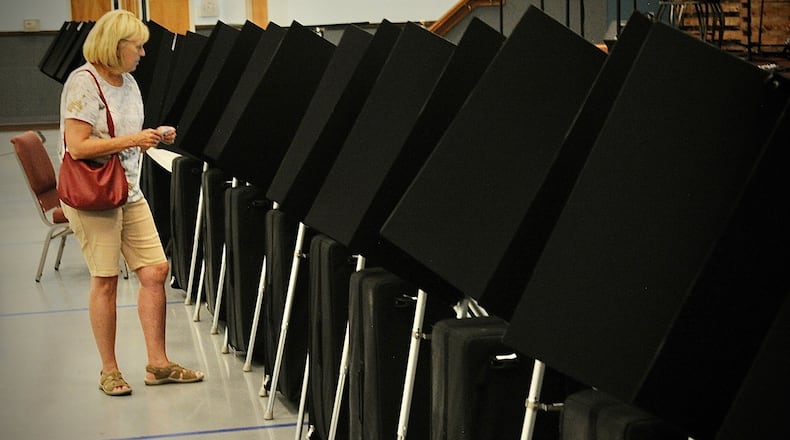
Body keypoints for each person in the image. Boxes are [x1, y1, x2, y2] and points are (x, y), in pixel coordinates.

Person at [59, 9, 204, 396]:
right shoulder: (83, 84)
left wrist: (153, 135)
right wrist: (133, 141)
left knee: (155, 270)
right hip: (94, 196)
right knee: (105, 280)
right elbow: (77, 146)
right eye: (137, 46)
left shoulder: (128, 83)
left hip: (128, 191)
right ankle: (109, 370)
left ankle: (158, 364)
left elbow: (128, 132)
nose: (142, 53)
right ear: (115, 46)